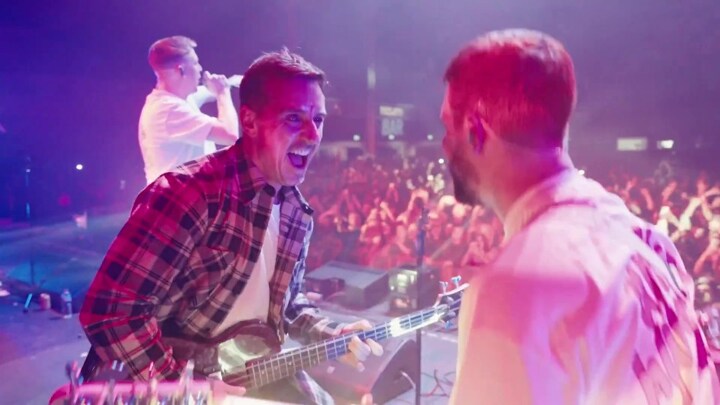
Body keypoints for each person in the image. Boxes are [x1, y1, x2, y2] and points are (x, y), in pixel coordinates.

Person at [80, 48, 382, 404]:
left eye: (318, 119)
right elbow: (112, 311)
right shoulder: (186, 195)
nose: (312, 135)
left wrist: (333, 332)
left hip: (242, 371)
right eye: (294, 119)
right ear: (250, 122)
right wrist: (183, 387)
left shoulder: (296, 215)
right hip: (162, 383)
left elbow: (286, 305)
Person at [439, 29, 720, 404]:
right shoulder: (645, 238)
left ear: (476, 130)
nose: (443, 144)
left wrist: (501, 297)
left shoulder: (518, 287)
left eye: (447, 127)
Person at [139, 35, 241, 184]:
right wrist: (223, 92)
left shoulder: (182, 98)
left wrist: (233, 81)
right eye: (195, 63)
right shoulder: (167, 110)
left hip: (185, 200)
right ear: (180, 70)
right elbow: (230, 135)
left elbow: (211, 90)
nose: (200, 69)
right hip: (174, 203)